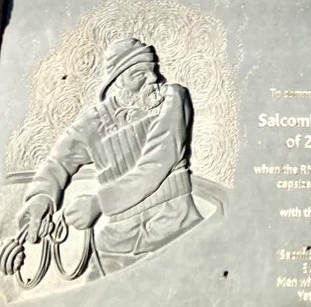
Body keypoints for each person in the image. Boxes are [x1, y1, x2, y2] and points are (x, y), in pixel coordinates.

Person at [17, 37, 202, 275]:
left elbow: (156, 164)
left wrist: (99, 203)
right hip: (117, 244)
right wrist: (41, 197)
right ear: (117, 82)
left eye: (153, 69)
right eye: (138, 74)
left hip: (175, 228)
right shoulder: (93, 122)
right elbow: (58, 161)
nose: (154, 79)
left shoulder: (173, 98)